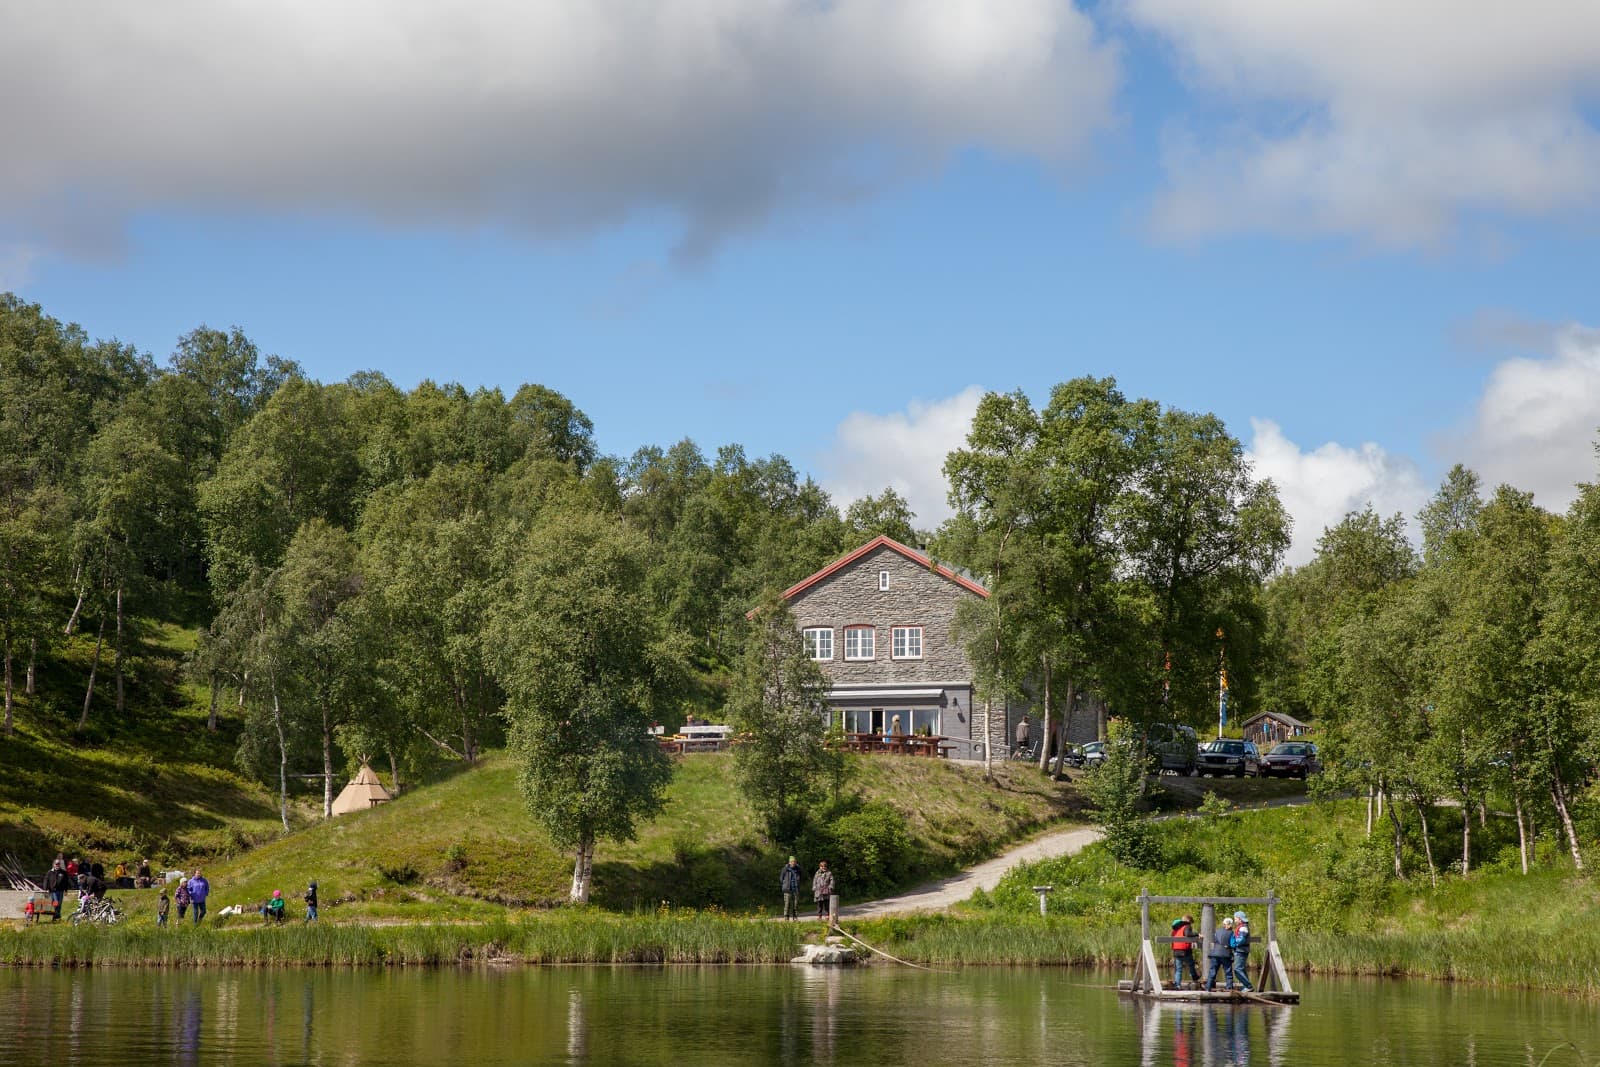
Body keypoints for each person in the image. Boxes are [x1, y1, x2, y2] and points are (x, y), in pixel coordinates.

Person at [1205, 916, 1236, 991]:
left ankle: (1208, 988)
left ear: (1223, 924)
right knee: (1228, 973)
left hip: (1215, 954)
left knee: (1212, 972)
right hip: (1225, 955)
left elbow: (1214, 941)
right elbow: (1233, 944)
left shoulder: (1217, 931)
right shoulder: (1231, 933)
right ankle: (1229, 989)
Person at [1171, 914, 1200, 988]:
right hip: (1185, 951)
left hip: (1176, 951)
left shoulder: (1175, 928)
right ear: (1188, 921)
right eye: (1190, 922)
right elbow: (1188, 934)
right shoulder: (1187, 926)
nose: (1190, 924)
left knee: (1178, 970)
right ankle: (1195, 978)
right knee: (1191, 965)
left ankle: (1177, 985)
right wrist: (1197, 934)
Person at [1230, 911, 1255, 992]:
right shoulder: (1242, 927)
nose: (1235, 920)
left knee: (1237, 969)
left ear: (1240, 919)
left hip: (1241, 951)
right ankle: (1247, 986)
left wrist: (1234, 943)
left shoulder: (1243, 928)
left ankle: (1248, 986)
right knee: (1242, 969)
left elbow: (1241, 940)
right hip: (1241, 950)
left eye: (1235, 919)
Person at [44, 858, 70, 922]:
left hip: (60, 890)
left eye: (58, 864)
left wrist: (66, 890)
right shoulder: (50, 872)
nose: (57, 865)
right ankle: (56, 916)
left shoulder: (63, 872)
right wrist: (46, 889)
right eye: (56, 864)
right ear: (54, 864)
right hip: (53, 891)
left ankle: (56, 917)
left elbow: (66, 882)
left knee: (59, 904)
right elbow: (46, 880)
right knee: (56, 903)